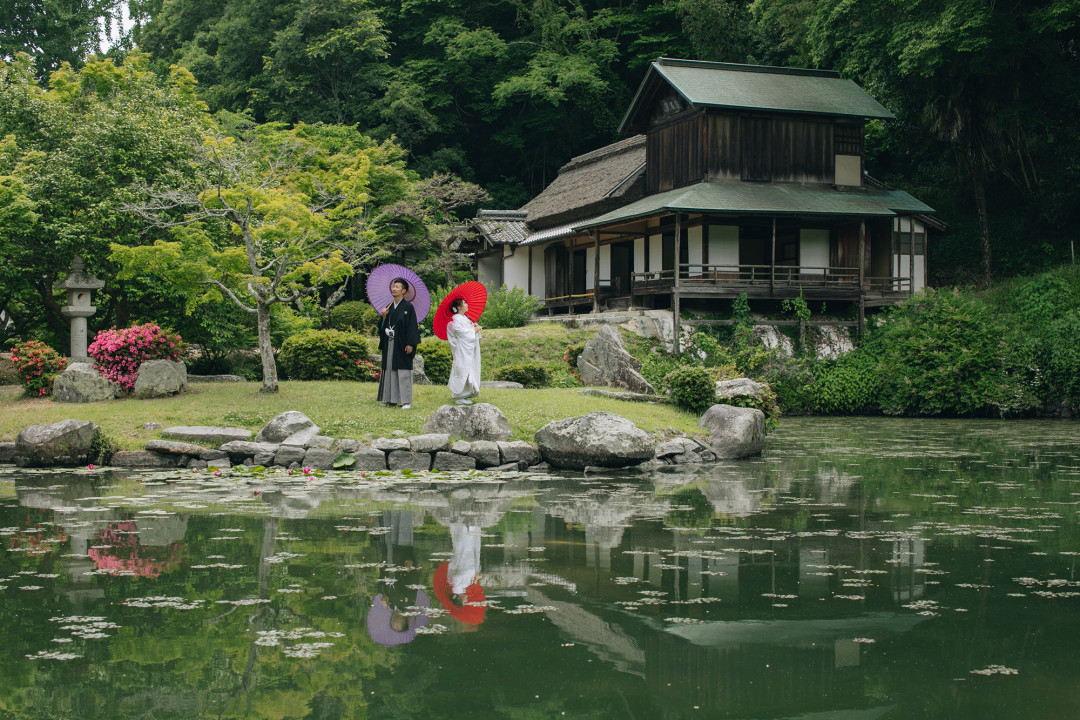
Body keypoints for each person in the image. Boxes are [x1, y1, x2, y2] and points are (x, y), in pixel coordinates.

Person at [377, 278, 421, 409]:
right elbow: (381, 326)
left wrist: (410, 344)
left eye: (397, 287)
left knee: (402, 370)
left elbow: (412, 327)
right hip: (389, 343)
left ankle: (406, 400)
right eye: (393, 286)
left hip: (402, 343)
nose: (394, 288)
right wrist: (384, 317)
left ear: (403, 290)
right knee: (389, 368)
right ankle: (390, 399)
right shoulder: (389, 307)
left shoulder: (408, 307)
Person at [446, 297, 481, 405]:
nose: (467, 304)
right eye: (464, 303)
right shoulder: (456, 320)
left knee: (469, 369)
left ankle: (466, 394)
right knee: (462, 370)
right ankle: (459, 395)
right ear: (459, 307)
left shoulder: (465, 318)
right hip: (462, 350)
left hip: (468, 349)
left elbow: (468, 332)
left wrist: (473, 326)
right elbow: (461, 333)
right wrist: (474, 329)